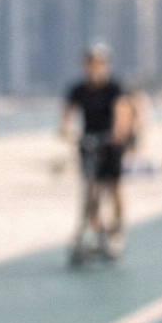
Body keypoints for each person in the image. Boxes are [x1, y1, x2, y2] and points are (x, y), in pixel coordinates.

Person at [60, 44, 133, 257]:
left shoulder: (114, 87)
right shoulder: (78, 89)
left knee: (113, 186)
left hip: (110, 143)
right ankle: (93, 226)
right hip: (88, 142)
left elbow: (123, 111)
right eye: (90, 63)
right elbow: (68, 111)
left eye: (98, 63)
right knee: (90, 187)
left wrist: (118, 132)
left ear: (106, 65)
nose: (94, 67)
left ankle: (118, 228)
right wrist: (65, 129)